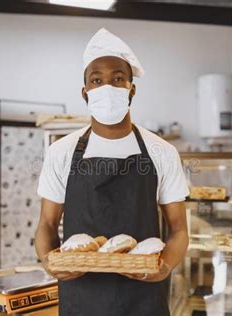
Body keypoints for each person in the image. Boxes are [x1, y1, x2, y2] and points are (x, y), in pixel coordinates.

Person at [35, 28, 189, 316]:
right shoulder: (62, 152)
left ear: (132, 88)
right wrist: (49, 261)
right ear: (85, 92)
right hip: (82, 299)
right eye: (96, 80)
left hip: (144, 298)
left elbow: (179, 229)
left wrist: (164, 266)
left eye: (118, 78)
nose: (107, 86)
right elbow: (46, 223)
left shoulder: (161, 152)